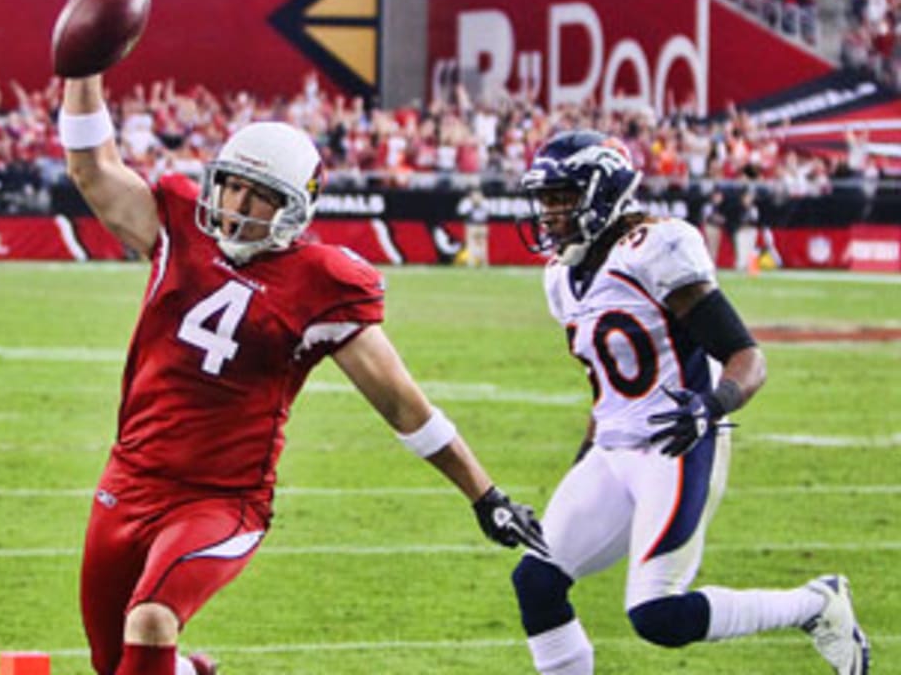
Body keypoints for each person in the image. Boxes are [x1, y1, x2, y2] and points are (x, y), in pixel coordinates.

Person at [61, 72, 546, 675]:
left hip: (220, 500)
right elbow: (92, 169)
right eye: (230, 186)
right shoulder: (177, 230)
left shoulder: (321, 284)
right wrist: (84, 71)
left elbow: (402, 404)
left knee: (153, 618)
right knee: (115, 666)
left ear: (292, 206)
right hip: (128, 480)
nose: (234, 207)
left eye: (254, 194)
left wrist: (485, 494)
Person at [513, 130, 869, 675]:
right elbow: (607, 386)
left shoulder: (656, 247)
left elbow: (747, 358)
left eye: (561, 196)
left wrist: (710, 407)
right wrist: (583, 460)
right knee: (537, 581)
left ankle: (817, 604)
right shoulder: (560, 276)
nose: (550, 212)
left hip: (676, 441)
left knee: (658, 615)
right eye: (545, 199)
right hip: (613, 448)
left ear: (602, 191)